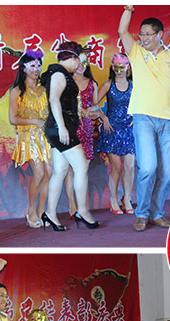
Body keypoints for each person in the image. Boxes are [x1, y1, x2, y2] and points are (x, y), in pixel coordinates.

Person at [119, 5, 170, 232]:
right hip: (143, 118)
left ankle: (155, 214)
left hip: (169, 119)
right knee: (148, 168)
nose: (144, 38)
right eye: (142, 34)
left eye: (149, 34)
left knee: (167, 173)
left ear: (160, 35)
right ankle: (141, 214)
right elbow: (122, 31)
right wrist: (128, 9)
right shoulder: (137, 53)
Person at [41, 41, 99, 231]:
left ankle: (50, 213)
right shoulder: (59, 74)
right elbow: (54, 100)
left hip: (59, 128)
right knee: (81, 166)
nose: (81, 64)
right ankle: (82, 211)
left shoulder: (61, 73)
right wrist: (62, 127)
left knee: (60, 171)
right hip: (60, 128)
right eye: (80, 59)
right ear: (73, 57)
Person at [9, 49, 51, 229]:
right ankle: (31, 211)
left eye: (38, 65)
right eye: (32, 65)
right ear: (24, 69)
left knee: (50, 173)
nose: (36, 69)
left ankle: (42, 212)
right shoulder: (17, 91)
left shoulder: (44, 89)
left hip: (46, 137)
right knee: (39, 173)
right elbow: (13, 119)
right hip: (29, 137)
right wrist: (35, 121)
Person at [65, 53, 107, 219]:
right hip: (71, 129)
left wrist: (92, 111)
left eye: (85, 62)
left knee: (83, 169)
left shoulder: (92, 84)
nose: (82, 66)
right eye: (79, 62)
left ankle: (82, 206)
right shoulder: (66, 82)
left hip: (87, 130)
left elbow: (96, 106)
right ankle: (72, 206)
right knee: (70, 170)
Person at [97, 53, 136, 215]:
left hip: (129, 130)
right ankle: (113, 199)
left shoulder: (134, 85)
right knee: (116, 167)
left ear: (128, 67)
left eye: (123, 66)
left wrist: (136, 117)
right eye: (116, 67)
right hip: (111, 130)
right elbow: (93, 104)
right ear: (112, 67)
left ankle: (127, 199)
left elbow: (142, 104)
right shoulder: (108, 85)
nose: (119, 70)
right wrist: (103, 117)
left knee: (130, 166)